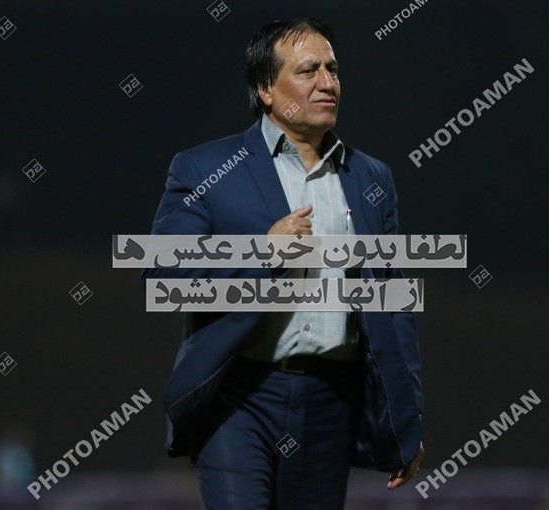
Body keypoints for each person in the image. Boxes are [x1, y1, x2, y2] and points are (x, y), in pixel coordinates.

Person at [142, 17, 424, 509]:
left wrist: (405, 422)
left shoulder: (372, 178)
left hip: (330, 401)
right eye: (308, 70)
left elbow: (392, 306)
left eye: (333, 69)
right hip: (238, 398)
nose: (327, 82)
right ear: (266, 89)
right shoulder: (204, 168)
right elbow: (163, 274)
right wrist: (261, 251)